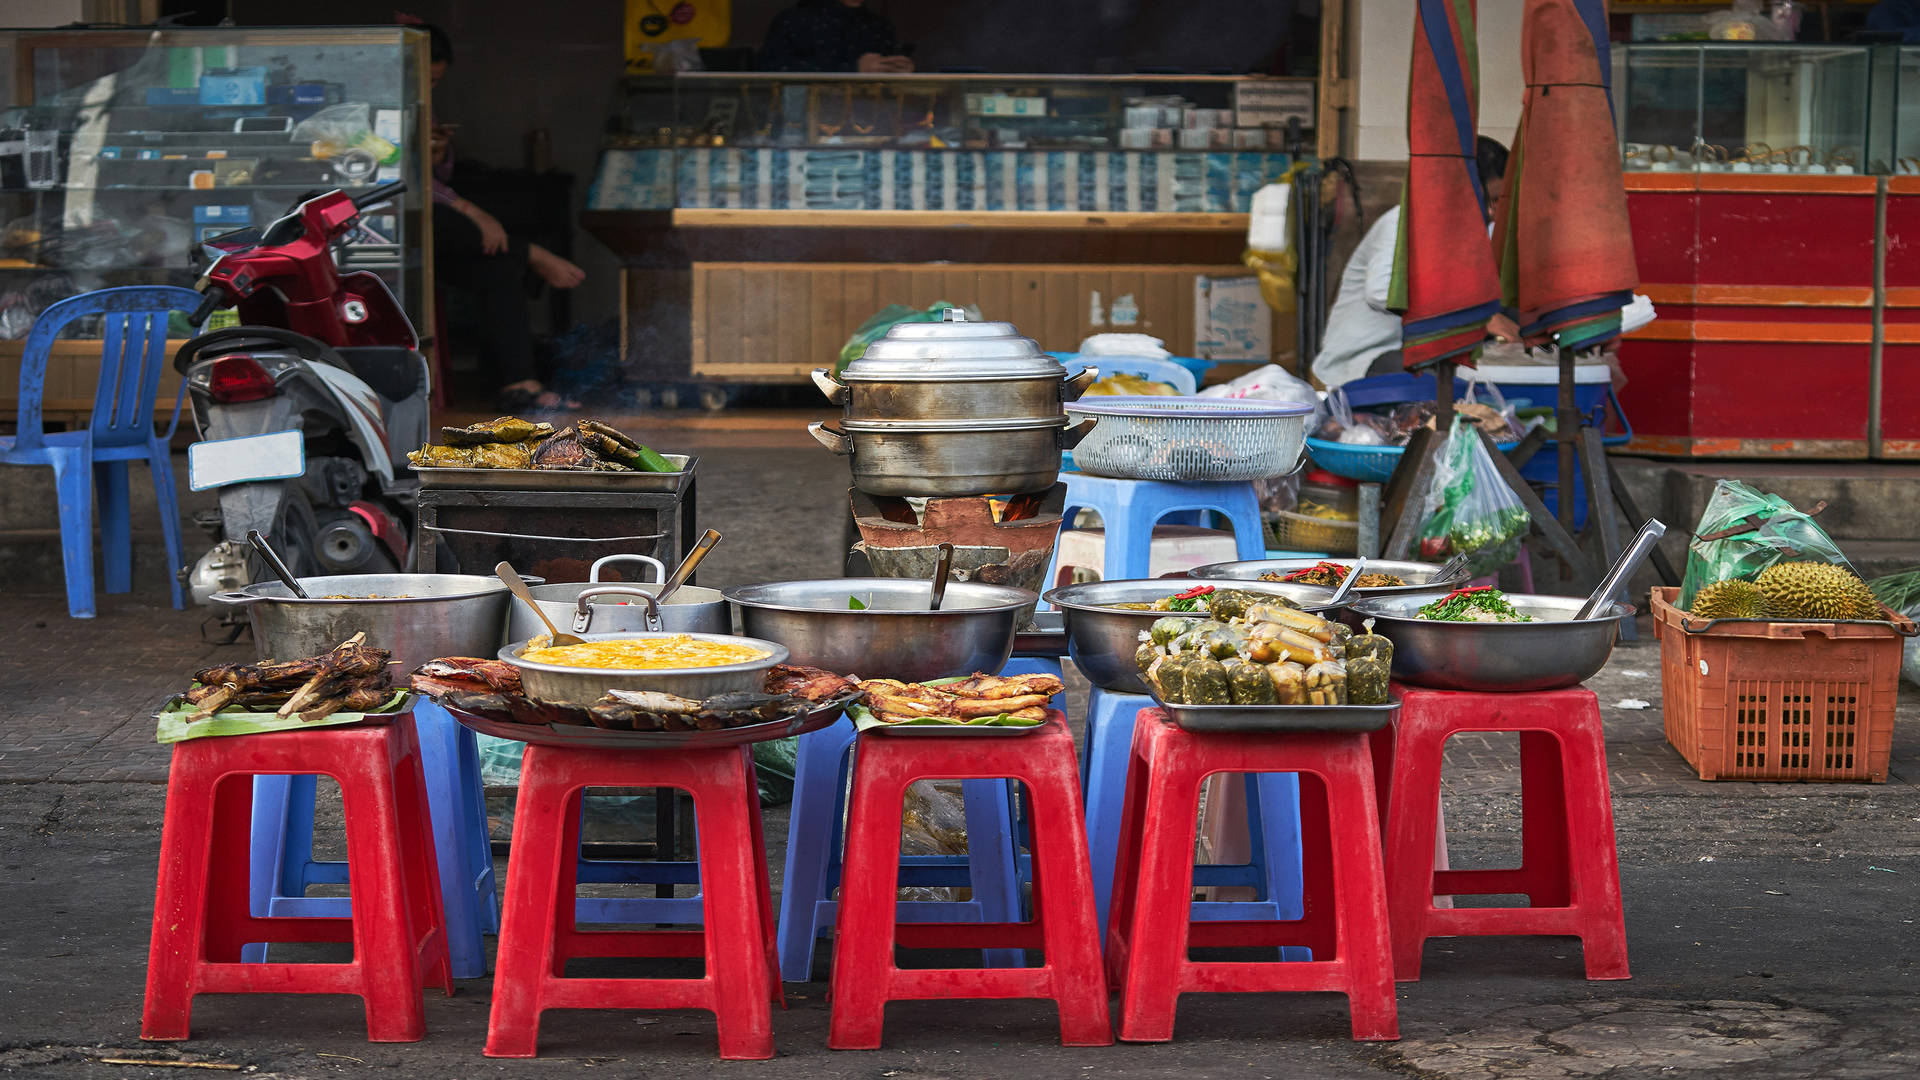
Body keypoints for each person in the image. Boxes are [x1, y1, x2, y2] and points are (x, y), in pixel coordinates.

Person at [422, 23, 587, 412]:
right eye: (424, 79)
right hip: (389, 228)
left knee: (496, 266)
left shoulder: (424, 108)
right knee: (455, 224)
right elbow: (408, 185)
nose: (428, 88)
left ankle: (520, 382)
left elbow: (434, 176)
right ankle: (529, 252)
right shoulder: (379, 106)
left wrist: (437, 153)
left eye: (434, 82)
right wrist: (472, 210)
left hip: (433, 238)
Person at [1311, 136, 1517, 390]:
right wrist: (1477, 317)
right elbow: (1380, 292)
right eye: (1489, 201)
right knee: (1440, 383)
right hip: (1373, 355)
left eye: (1500, 201)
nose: (1494, 212)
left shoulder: (1480, 230)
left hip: (1431, 345)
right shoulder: (1402, 222)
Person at [759, 0, 914, 73]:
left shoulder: (879, 26)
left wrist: (901, 71)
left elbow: (890, 87)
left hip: (870, 120)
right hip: (805, 120)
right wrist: (854, 69)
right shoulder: (795, 19)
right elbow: (770, 70)